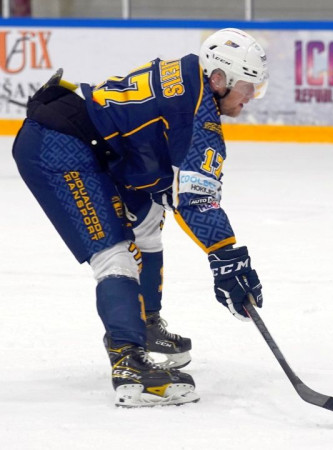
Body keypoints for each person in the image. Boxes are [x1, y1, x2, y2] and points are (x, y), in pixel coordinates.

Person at [12, 28, 268, 407]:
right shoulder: (199, 113)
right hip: (61, 147)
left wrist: (217, 245)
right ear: (219, 79)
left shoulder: (188, 78)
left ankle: (144, 324)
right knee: (114, 254)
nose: (251, 97)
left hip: (95, 144)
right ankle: (129, 361)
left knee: (149, 219)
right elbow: (196, 200)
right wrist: (226, 255)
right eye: (248, 86)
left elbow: (164, 171)